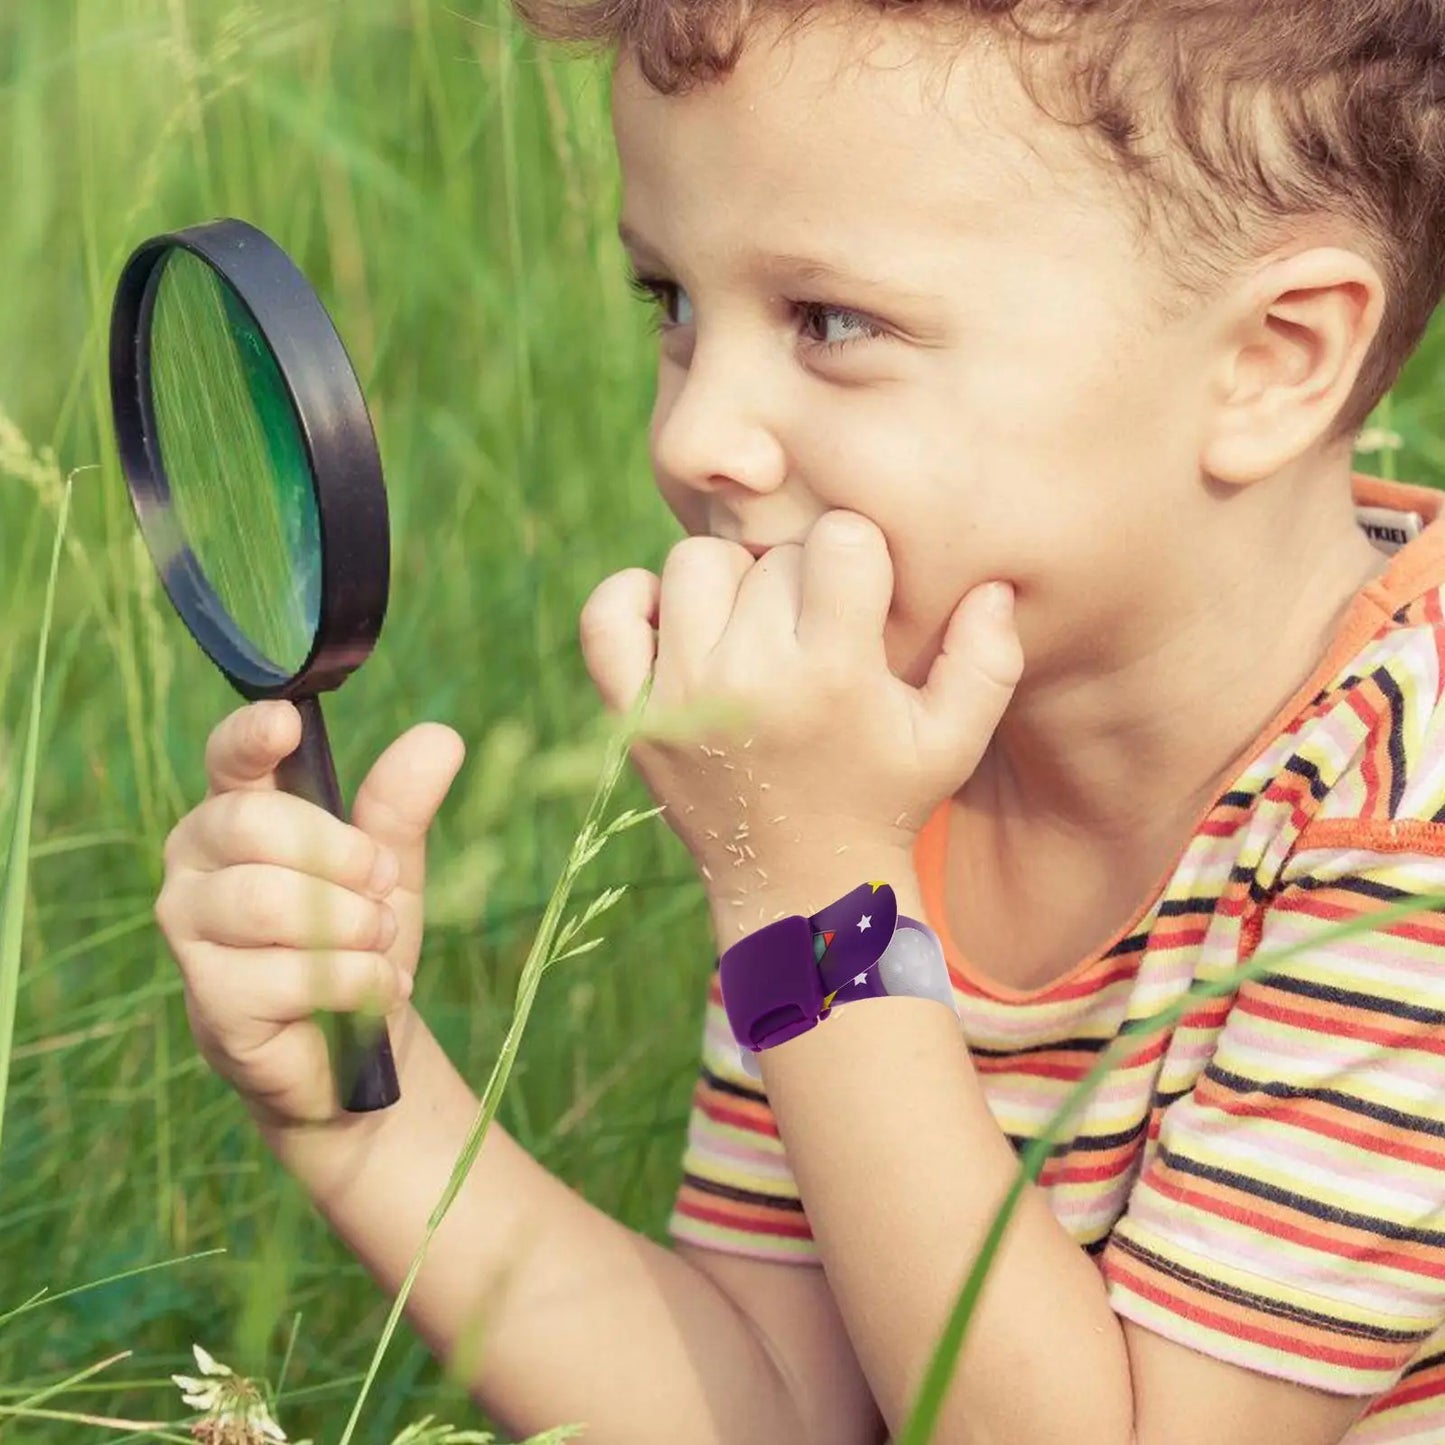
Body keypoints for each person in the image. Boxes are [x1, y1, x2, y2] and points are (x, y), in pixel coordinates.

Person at [152, 1, 1445, 1441]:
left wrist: (813, 893)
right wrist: (367, 1105)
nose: (691, 435)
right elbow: (780, 1408)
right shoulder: (869, 741)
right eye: (672, 306)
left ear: (1269, 359)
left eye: (832, 321)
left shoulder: (1405, 809)